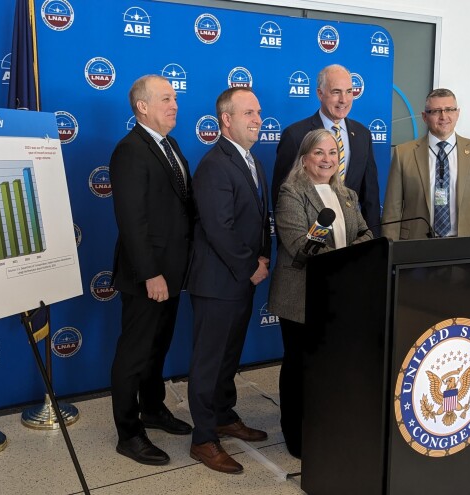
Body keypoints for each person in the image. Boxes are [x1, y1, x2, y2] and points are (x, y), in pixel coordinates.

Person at [268, 129, 373, 458]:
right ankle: (295, 433)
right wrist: (346, 258)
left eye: (332, 153)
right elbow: (300, 245)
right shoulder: (291, 192)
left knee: (332, 366)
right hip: (300, 294)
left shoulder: (347, 194)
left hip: (339, 294)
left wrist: (348, 255)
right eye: (318, 153)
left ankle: (327, 424)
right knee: (299, 366)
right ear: (304, 159)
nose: (327, 159)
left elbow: (366, 233)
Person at [109, 74, 194, 466]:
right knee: (134, 354)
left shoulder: (169, 144)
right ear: (142, 107)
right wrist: (150, 274)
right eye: (166, 99)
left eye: (174, 98)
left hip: (173, 272)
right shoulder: (129, 150)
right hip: (148, 276)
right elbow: (132, 220)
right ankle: (129, 433)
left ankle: (153, 409)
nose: (174, 105)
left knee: (158, 347)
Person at [186, 87, 272, 474]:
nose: (258, 119)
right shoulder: (215, 164)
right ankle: (203, 439)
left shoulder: (252, 161)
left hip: (240, 280)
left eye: (258, 112)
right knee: (209, 363)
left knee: (228, 357)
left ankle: (223, 416)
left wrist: (262, 257)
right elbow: (218, 227)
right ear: (226, 119)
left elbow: (258, 219)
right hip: (218, 283)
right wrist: (250, 265)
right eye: (249, 113)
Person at [274, 64, 380, 232]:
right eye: (336, 92)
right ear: (320, 93)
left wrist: (374, 242)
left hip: (352, 236)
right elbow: (280, 196)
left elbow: (370, 198)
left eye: (349, 92)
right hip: (306, 237)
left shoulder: (362, 135)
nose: (344, 100)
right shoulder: (295, 135)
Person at [382, 88, 470, 240]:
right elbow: (392, 210)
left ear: (457, 113)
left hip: (465, 246)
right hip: (416, 246)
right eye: (436, 111)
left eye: (449, 110)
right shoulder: (403, 154)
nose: (443, 116)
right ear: (424, 117)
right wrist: (391, 249)